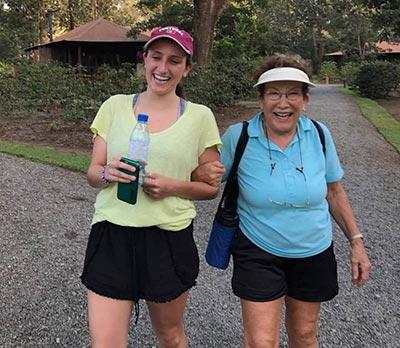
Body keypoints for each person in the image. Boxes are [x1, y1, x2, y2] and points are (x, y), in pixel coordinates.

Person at [193, 54, 371, 348]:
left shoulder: (319, 134)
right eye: (274, 93)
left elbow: (334, 192)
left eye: (292, 94)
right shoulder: (240, 137)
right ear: (260, 100)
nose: (283, 103)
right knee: (262, 341)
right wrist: (201, 171)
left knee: (304, 335)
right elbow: (204, 180)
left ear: (305, 100)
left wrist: (356, 241)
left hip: (314, 249)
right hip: (257, 249)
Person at [80, 26, 221, 348]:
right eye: (156, 57)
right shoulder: (114, 106)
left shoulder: (200, 117)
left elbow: (209, 188)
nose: (163, 68)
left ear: (187, 68)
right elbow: (91, 174)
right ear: (144, 60)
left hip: (168, 237)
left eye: (174, 61)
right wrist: (107, 172)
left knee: (170, 337)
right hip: (112, 232)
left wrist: (173, 186)